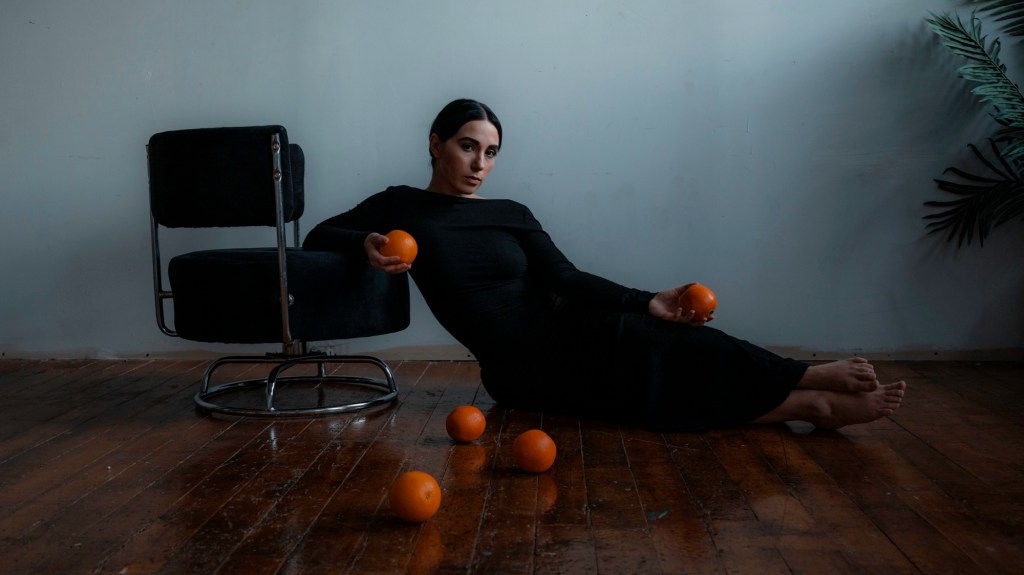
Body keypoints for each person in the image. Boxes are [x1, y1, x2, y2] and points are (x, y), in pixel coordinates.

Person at [304, 98, 906, 432]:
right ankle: (810, 403)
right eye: (467, 146)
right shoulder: (401, 205)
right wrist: (366, 244)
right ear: (436, 143)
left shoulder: (511, 213)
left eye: (491, 152)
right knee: (647, 393)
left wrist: (648, 301)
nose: (480, 164)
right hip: (518, 369)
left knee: (682, 343)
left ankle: (805, 379)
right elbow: (318, 234)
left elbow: (565, 279)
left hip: (574, 323)